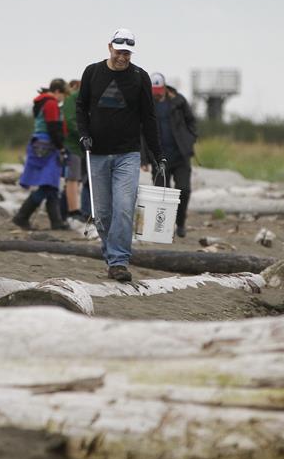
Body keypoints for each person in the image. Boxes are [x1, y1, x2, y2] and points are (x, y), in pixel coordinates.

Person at [76, 28, 162, 282]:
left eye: (127, 52)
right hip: (98, 153)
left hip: (128, 153)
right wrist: (83, 135)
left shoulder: (139, 77)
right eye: (119, 51)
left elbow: (149, 117)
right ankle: (111, 254)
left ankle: (118, 261)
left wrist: (158, 154)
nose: (123, 57)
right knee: (103, 213)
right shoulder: (92, 72)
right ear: (109, 47)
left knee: (124, 207)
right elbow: (81, 108)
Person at [141, 72, 197, 238]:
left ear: (164, 88)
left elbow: (191, 121)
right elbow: (141, 134)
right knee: (161, 194)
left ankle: (180, 223)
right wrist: (144, 158)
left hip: (180, 155)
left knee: (184, 190)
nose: (156, 93)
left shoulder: (178, 102)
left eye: (158, 90)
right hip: (158, 158)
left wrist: (190, 139)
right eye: (153, 90)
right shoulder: (146, 105)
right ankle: (163, 229)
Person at [13, 79, 71, 230]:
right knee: (47, 185)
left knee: (51, 186)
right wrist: (61, 146)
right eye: (64, 95)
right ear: (58, 91)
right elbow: (53, 128)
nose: (63, 99)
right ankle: (22, 216)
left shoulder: (41, 102)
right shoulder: (51, 103)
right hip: (48, 147)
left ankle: (56, 222)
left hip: (39, 145)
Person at [61, 79, 85, 224]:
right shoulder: (72, 99)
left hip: (81, 148)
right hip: (73, 146)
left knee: (77, 180)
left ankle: (68, 210)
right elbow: (70, 121)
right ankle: (73, 211)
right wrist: (85, 135)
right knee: (72, 179)